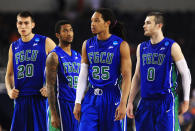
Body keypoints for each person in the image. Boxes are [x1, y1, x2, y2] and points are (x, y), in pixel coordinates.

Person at [126, 11, 191, 131]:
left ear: (159, 25)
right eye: (144, 23)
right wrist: (130, 101)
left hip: (165, 101)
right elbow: (137, 76)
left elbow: (185, 73)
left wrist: (186, 100)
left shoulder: (172, 46)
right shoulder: (141, 47)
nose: (144, 25)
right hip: (145, 101)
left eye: (148, 23)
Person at [73, 8, 132, 131]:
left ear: (107, 23)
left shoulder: (121, 45)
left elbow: (127, 77)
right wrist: (78, 102)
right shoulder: (87, 44)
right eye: (91, 21)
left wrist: (123, 103)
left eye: (96, 20)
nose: (92, 24)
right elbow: (83, 75)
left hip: (112, 96)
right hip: (91, 97)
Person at [5, 11, 56, 131]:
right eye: (20, 23)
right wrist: (9, 90)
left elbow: (63, 62)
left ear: (32, 25)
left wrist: (51, 87)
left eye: (26, 23)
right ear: (17, 24)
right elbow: (9, 74)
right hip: (20, 97)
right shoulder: (13, 47)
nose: (23, 26)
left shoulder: (45, 41)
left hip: (39, 97)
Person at [46, 20, 81, 131]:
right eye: (65, 31)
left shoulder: (78, 55)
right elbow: (50, 86)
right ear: (58, 35)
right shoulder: (54, 56)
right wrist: (53, 113)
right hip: (62, 103)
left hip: (77, 103)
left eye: (71, 30)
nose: (69, 33)